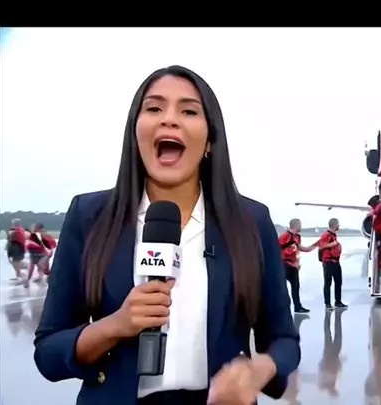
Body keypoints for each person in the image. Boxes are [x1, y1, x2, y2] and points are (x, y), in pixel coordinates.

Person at [33, 65, 300, 405]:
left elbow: (284, 340)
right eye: (154, 108)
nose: (169, 119)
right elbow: (48, 352)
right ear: (136, 132)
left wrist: (259, 370)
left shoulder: (251, 221)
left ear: (210, 141)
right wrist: (115, 325)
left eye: (188, 111)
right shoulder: (89, 216)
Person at [278, 218, 318, 314]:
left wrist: (315, 245)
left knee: (295, 287)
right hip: (285, 265)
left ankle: (298, 307)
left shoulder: (297, 237)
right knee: (281, 288)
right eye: (300, 225)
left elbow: (300, 248)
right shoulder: (284, 237)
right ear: (296, 226)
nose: (301, 227)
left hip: (294, 267)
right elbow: (278, 250)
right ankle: (281, 309)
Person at [317, 218, 348, 310]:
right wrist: (332, 244)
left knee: (338, 282)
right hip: (328, 262)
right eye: (338, 224)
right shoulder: (326, 235)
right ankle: (327, 304)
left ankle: (338, 301)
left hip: (335, 262)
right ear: (334, 225)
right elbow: (321, 246)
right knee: (328, 283)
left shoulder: (333, 235)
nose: (339, 226)